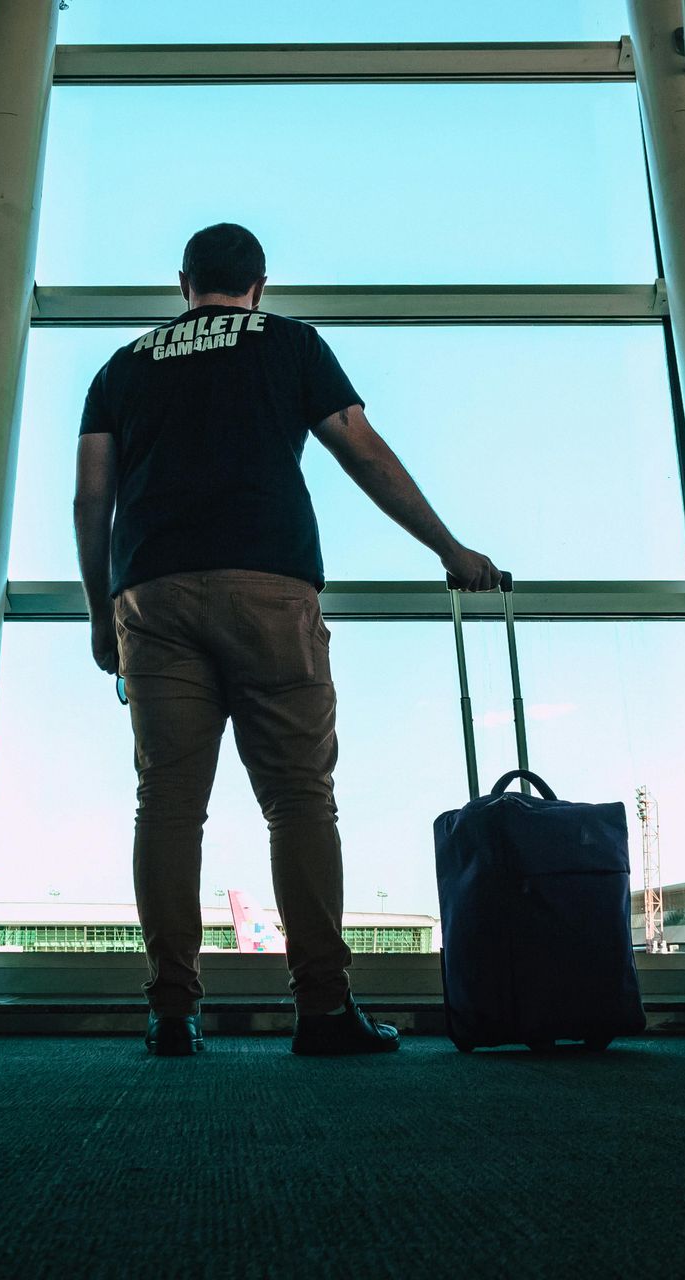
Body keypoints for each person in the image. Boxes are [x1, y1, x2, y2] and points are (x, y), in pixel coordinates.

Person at [73, 223, 502, 1057]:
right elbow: (362, 452)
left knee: (166, 805)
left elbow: (92, 498)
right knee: (299, 799)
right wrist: (449, 549)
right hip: (270, 585)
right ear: (259, 285)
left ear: (183, 283)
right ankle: (322, 1008)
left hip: (153, 595)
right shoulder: (292, 344)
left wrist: (101, 611)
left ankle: (169, 1011)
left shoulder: (122, 366)